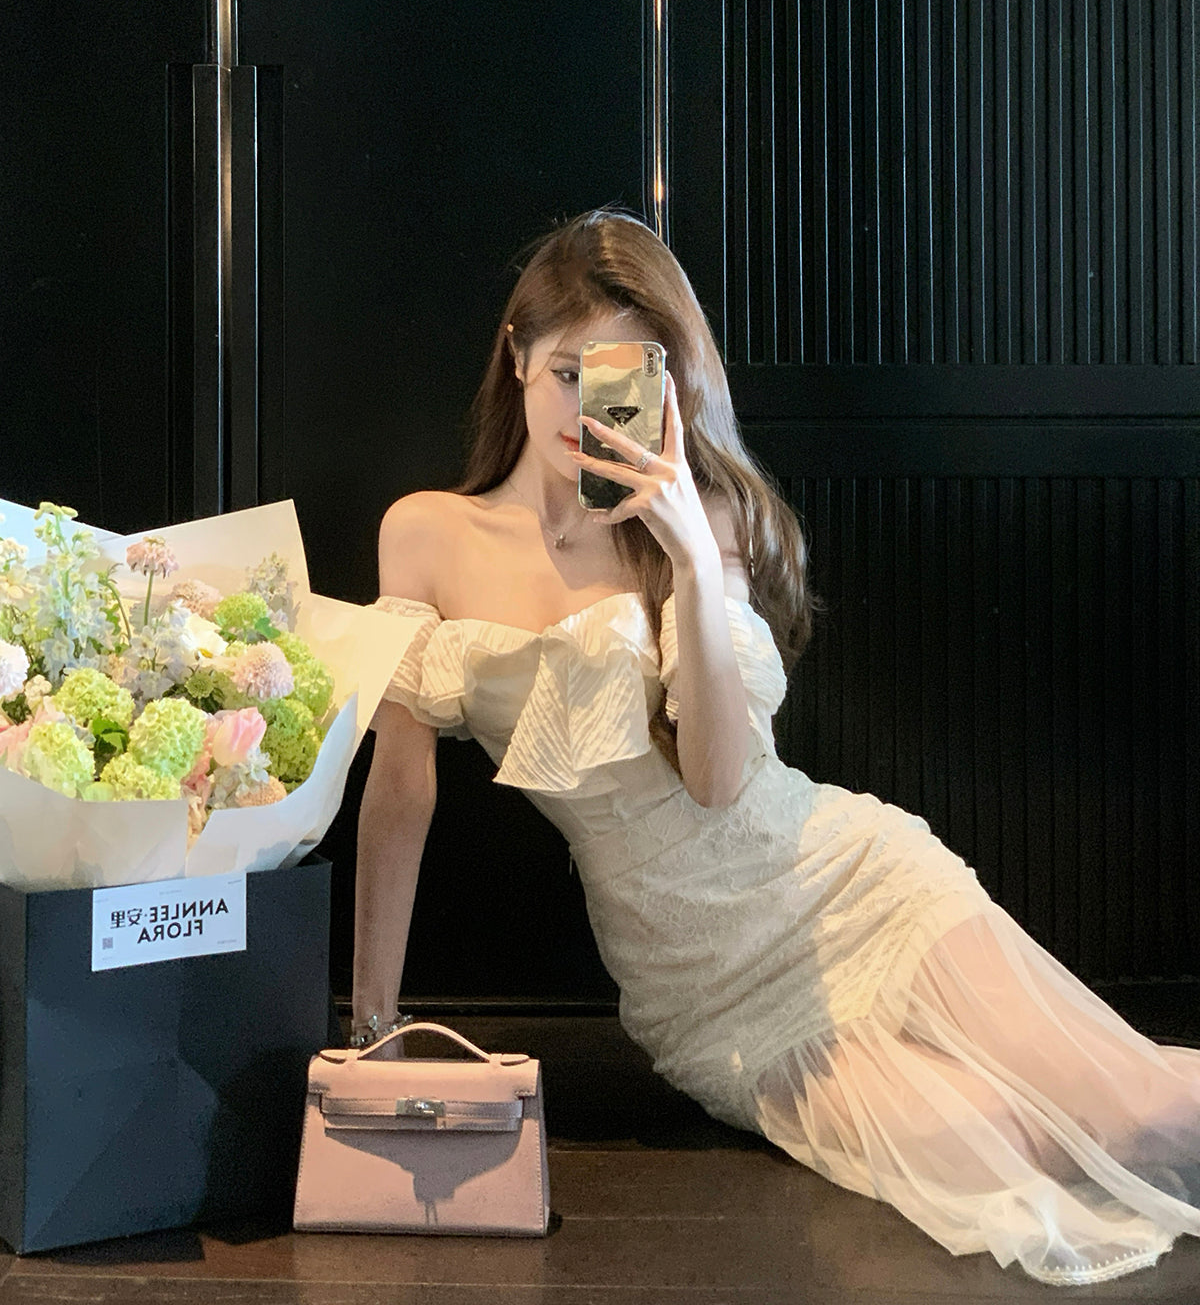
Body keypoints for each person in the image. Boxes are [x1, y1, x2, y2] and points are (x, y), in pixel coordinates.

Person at [353, 209, 1200, 1285]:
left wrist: (689, 560)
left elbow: (717, 780)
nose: (585, 409)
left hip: (843, 883)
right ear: (515, 354)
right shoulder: (425, 533)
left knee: (1135, 1113)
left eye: (619, 379)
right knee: (991, 1147)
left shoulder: (704, 519)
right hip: (703, 989)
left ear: (666, 385)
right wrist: (369, 1026)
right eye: (565, 372)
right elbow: (400, 791)